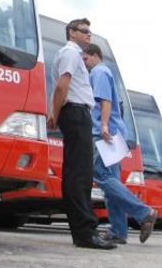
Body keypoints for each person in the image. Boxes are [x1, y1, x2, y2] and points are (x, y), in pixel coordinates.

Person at [47, 18, 118, 250]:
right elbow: (61, 86)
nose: (89, 35)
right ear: (71, 33)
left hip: (76, 114)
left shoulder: (73, 55)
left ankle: (83, 232)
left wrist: (55, 113)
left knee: (78, 174)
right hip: (75, 113)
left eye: (90, 31)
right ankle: (85, 233)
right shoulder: (70, 53)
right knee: (80, 175)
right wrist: (54, 115)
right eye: (84, 31)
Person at [82, 43, 158, 244]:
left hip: (104, 133)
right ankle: (118, 231)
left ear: (94, 55)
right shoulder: (105, 72)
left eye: (85, 59)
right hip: (113, 134)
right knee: (111, 182)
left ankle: (144, 212)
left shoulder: (99, 72)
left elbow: (104, 101)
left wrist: (104, 125)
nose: (84, 63)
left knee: (102, 176)